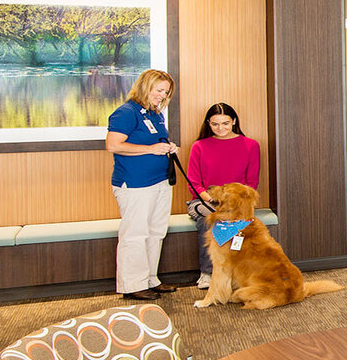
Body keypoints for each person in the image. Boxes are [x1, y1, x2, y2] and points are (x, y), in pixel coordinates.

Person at [105, 69, 181, 301]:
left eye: (165, 92)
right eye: (158, 90)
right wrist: (150, 150)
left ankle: (150, 279)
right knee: (135, 234)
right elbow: (113, 145)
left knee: (156, 232)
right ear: (145, 87)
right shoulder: (127, 113)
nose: (162, 96)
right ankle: (132, 285)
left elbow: (155, 141)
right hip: (136, 184)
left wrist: (168, 147)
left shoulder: (154, 114)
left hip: (159, 182)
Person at [185, 102, 262, 289]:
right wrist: (211, 199)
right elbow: (194, 183)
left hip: (237, 202)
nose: (221, 128)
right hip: (205, 201)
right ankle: (207, 273)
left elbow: (251, 183)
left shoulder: (251, 145)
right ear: (208, 124)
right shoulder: (199, 146)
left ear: (234, 121)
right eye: (215, 124)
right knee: (209, 219)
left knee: (235, 220)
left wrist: (233, 203)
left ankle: (237, 271)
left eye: (225, 123)